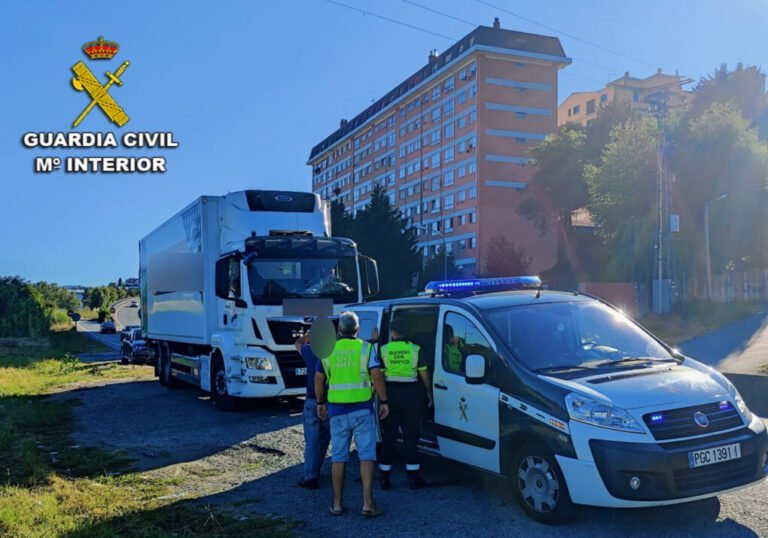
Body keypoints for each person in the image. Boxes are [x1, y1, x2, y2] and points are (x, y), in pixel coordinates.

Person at [315, 311, 389, 518]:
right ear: (357, 329)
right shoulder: (366, 348)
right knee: (367, 455)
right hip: (362, 410)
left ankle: (337, 504)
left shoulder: (328, 350)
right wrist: (384, 401)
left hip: (337, 411)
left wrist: (320, 403)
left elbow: (318, 379)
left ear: (339, 330)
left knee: (339, 456)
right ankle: (368, 504)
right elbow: (377, 376)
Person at [378, 318, 432, 490]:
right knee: (411, 436)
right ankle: (413, 478)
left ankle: (384, 478)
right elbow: (424, 374)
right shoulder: (415, 349)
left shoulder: (384, 349)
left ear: (392, 332)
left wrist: (380, 398)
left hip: (391, 394)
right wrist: (429, 392)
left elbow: (379, 376)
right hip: (411, 394)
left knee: (389, 436)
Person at [295, 330, 331, 489]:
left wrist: (308, 335)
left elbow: (297, 343)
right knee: (325, 438)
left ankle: (311, 475)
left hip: (312, 401)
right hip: (331, 401)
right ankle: (318, 469)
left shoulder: (310, 351)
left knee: (312, 440)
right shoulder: (336, 352)